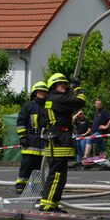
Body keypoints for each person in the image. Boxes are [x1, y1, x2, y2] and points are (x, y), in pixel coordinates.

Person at [39, 73, 85, 212]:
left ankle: (52, 204)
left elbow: (69, 104)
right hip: (59, 141)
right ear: (53, 87)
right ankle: (47, 205)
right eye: (60, 84)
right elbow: (80, 101)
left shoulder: (53, 99)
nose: (63, 86)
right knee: (57, 175)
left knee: (59, 176)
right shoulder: (58, 99)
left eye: (65, 84)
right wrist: (78, 87)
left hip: (56, 140)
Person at [15, 81, 48, 194]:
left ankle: (36, 187)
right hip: (31, 140)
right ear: (35, 93)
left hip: (44, 140)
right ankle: (20, 185)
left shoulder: (48, 106)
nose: (42, 93)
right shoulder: (28, 106)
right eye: (40, 91)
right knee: (27, 164)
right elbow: (21, 121)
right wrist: (23, 136)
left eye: (44, 91)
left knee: (40, 166)